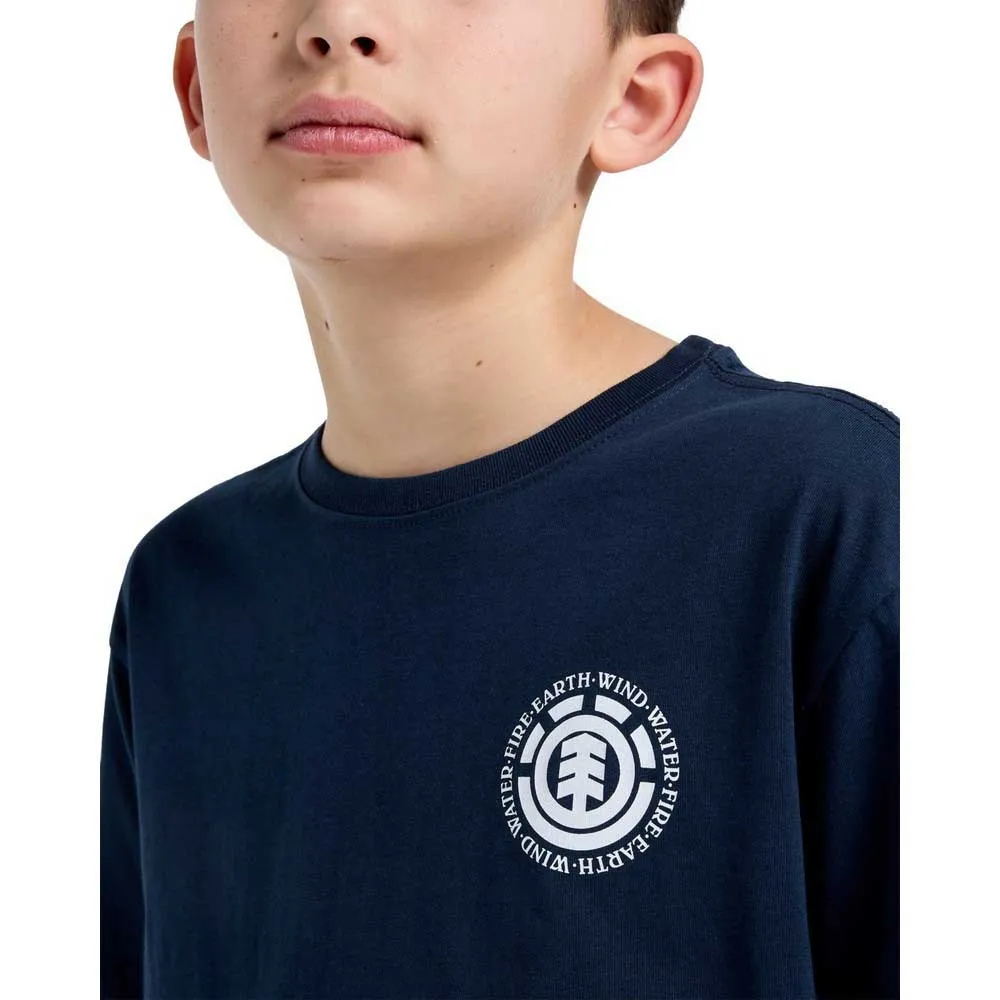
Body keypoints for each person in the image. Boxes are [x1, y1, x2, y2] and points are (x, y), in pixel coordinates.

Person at [100, 2, 899, 998]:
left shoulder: (830, 514)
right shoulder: (183, 592)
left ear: (635, 99)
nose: (338, 21)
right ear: (195, 89)